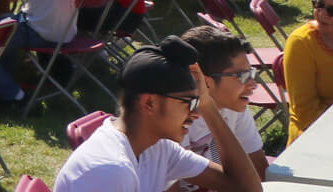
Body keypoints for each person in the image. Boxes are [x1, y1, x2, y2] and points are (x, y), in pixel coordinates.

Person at [52, 37, 260, 192]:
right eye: (190, 102)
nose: (196, 113)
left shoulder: (159, 148)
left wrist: (208, 105)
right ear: (149, 103)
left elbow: (245, 188)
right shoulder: (108, 171)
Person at [175, 25, 269, 185]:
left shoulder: (235, 106)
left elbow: (258, 169)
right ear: (205, 81)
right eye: (243, 76)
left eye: (251, 73)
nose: (253, 84)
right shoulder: (172, 119)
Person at [286, 0, 333, 141]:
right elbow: (305, 113)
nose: (321, 13)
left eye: (331, 10)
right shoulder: (301, 43)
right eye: (318, 4)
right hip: (311, 138)